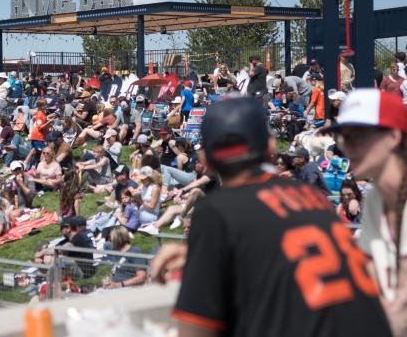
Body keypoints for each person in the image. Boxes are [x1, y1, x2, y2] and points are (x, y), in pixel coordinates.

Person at [151, 96, 392, 337]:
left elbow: (195, 331)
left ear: (205, 159)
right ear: (271, 148)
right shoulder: (313, 198)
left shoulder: (217, 210)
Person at [324, 89, 407, 335]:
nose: (348, 147)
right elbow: (369, 279)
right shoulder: (378, 198)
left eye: (358, 136)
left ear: (392, 137)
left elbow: (401, 305)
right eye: (343, 138)